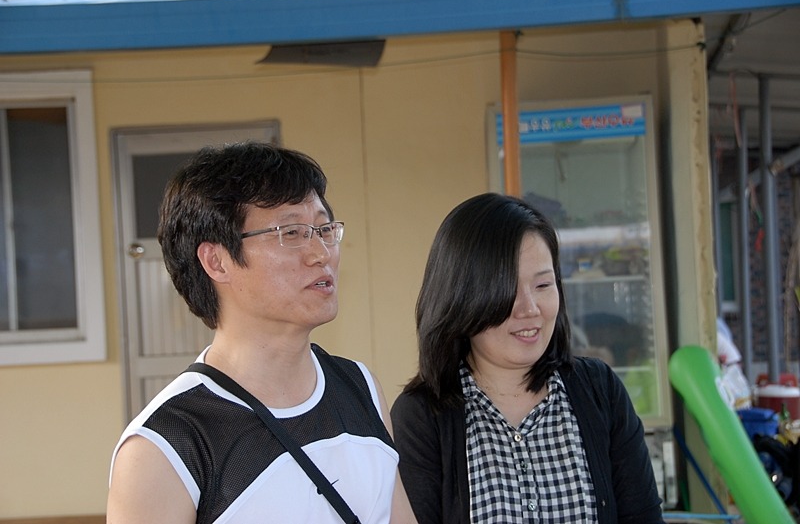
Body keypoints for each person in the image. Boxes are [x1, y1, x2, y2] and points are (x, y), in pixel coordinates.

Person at [107, 141, 416, 524]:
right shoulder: (165, 446)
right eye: (292, 232)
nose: (321, 253)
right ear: (217, 261)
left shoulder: (360, 387)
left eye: (323, 229)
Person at [390, 192, 664, 524]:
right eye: (507, 289)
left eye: (543, 285)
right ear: (461, 297)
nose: (530, 309)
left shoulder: (600, 391)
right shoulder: (421, 416)